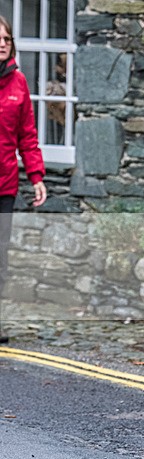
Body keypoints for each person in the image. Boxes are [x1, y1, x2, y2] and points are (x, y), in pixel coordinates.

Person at [0, 16, 47, 343]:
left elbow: (27, 136)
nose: (3, 43)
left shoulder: (18, 83)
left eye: (6, 39)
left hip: (5, 186)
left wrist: (36, 176)